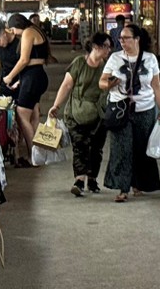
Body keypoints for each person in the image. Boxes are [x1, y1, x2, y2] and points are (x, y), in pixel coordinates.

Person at [99, 23, 160, 203]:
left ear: (137, 39)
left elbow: (156, 86)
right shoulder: (115, 58)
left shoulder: (150, 59)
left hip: (145, 108)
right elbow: (102, 82)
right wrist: (109, 84)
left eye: (126, 38)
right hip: (120, 109)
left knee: (142, 148)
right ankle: (123, 188)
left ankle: (138, 183)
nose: (122, 42)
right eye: (120, 38)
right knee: (122, 148)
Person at [48, 32, 114, 197]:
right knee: (80, 147)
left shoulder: (108, 66)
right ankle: (79, 180)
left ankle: (92, 179)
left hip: (99, 113)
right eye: (106, 46)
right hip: (77, 112)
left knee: (96, 148)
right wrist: (56, 105)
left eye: (109, 46)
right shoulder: (79, 63)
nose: (109, 50)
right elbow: (66, 85)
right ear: (95, 46)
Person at [0, 13, 50, 163]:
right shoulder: (35, 30)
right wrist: (20, 81)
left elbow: (24, 60)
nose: (13, 33)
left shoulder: (28, 32)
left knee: (22, 114)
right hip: (35, 76)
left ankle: (32, 156)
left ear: (17, 26)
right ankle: (39, 154)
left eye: (12, 29)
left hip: (33, 77)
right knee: (34, 116)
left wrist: (10, 77)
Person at [0, 22, 20, 98]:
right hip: (6, 81)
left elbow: (26, 64)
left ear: (4, 33)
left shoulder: (19, 42)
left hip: (21, 80)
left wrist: (19, 81)